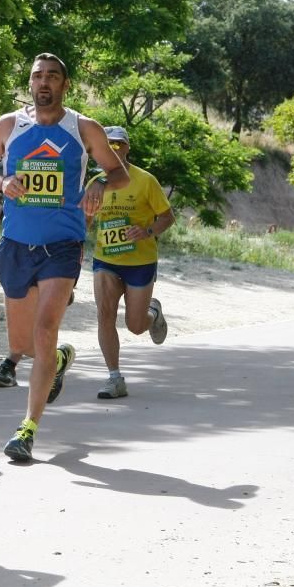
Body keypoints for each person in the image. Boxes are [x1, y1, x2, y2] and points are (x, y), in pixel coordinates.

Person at [0, 52, 128, 463]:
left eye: (52, 77)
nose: (44, 83)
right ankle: (55, 360)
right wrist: (2, 182)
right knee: (23, 344)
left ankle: (27, 428)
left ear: (65, 85)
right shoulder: (9, 125)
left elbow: (119, 173)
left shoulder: (83, 128)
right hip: (16, 245)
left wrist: (96, 182)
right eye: (38, 76)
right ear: (30, 83)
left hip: (62, 246)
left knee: (44, 328)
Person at [86, 126, 174, 399]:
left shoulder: (145, 180)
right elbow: (85, 220)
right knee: (105, 314)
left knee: (135, 326)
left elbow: (166, 217)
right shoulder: (95, 183)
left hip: (140, 261)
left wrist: (146, 231)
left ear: (127, 148)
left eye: (118, 144)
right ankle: (114, 378)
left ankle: (153, 313)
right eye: (108, 144)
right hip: (106, 259)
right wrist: (83, 222)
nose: (113, 149)